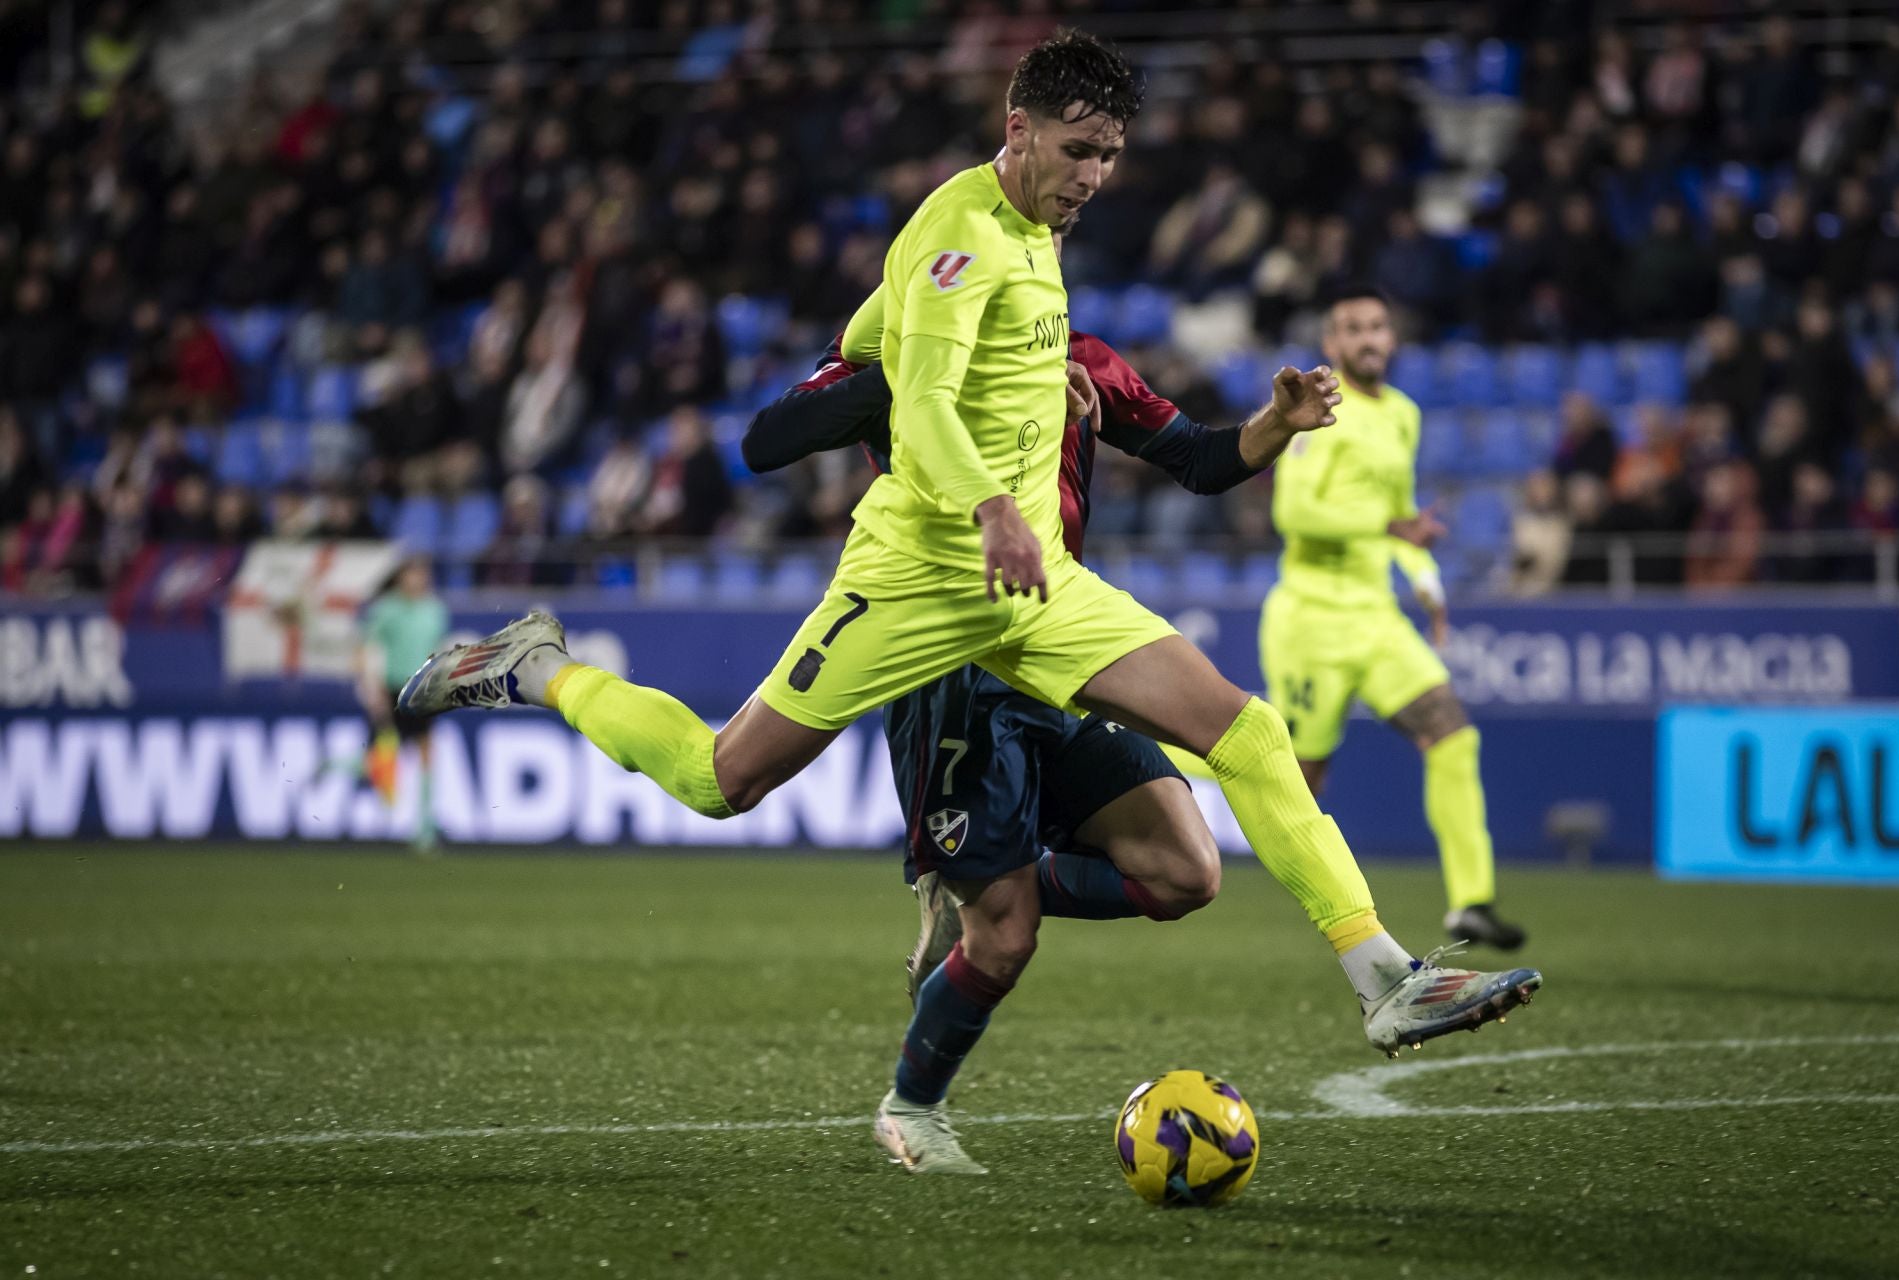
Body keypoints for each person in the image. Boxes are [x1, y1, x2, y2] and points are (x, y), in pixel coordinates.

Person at [399, 29, 1539, 1174]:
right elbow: (922, 401)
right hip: (921, 585)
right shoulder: (953, 237)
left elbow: (1169, 445)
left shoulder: (1040, 241)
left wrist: (1274, 427)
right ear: (1018, 128)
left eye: (1111, 155)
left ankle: (1384, 974)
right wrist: (981, 490)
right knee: (719, 777)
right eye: (1079, 150)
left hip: (1040, 590)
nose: (1094, 176)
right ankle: (538, 666)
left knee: (1242, 728)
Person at [740, 272, 1310, 1009]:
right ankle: (919, 1100)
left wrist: (1278, 423)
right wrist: (907, 376)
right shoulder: (902, 359)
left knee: (1185, 872)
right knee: (987, 945)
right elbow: (768, 440)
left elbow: (1200, 460)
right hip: (945, 652)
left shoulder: (1083, 360)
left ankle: (992, 886)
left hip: (1057, 630)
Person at [1262, 285, 1527, 949]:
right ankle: (1147, 739)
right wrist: (1387, 526)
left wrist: (1427, 580)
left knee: (1452, 734)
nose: (1368, 338)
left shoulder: (1403, 414)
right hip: (1312, 616)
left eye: (1377, 326)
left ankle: (1471, 902)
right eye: (1352, 329)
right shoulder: (1316, 414)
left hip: (1376, 615)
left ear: (1393, 338)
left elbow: (1402, 509)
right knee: (1293, 773)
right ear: (1332, 345)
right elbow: (1292, 515)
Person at [358, 555, 450, 851]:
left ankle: (423, 829)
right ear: (401, 578)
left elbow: (438, 652)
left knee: (425, 754)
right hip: (393, 689)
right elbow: (367, 647)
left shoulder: (435, 610)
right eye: (414, 573)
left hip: (422, 690)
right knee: (379, 761)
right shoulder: (386, 610)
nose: (419, 580)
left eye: (423, 574)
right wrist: (371, 688)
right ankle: (330, 768)